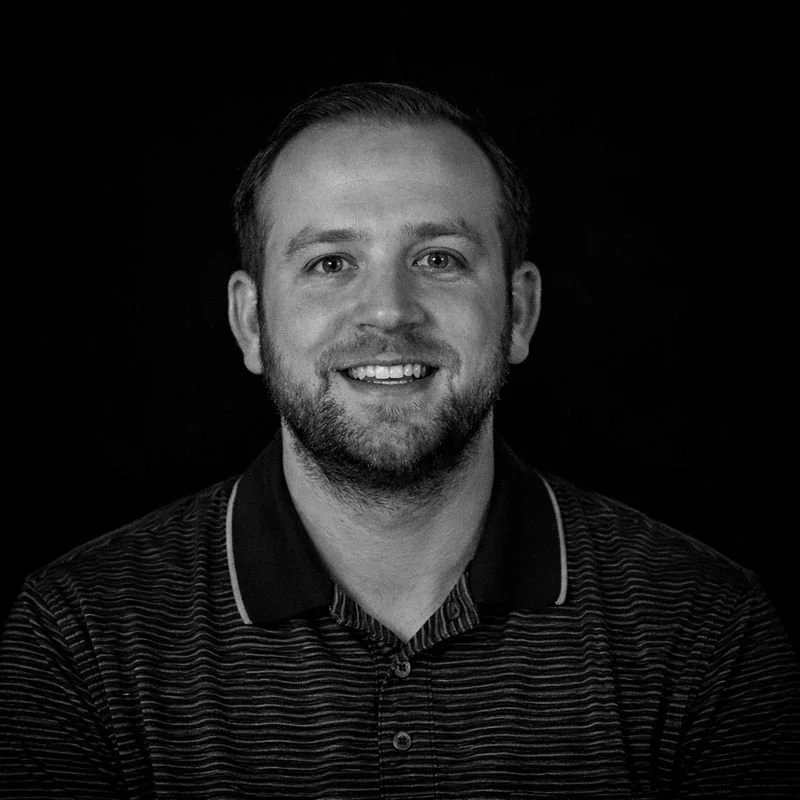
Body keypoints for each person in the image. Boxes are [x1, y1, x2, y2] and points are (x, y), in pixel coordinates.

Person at [1, 82, 797, 798]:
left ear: (519, 313)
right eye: (331, 261)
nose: (387, 311)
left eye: (440, 258)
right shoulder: (83, 636)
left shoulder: (703, 630)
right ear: (252, 323)